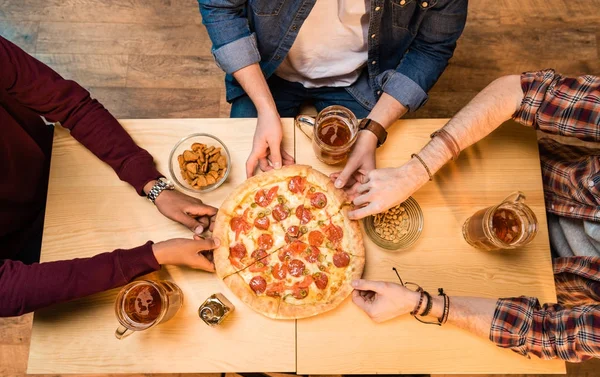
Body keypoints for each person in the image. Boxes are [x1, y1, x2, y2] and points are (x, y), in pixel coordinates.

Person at [351, 69, 600, 362]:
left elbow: (545, 332)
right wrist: (414, 173)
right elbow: (517, 92)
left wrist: (422, 303)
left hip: (537, 282)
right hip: (518, 169)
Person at [0, 36, 220, 317]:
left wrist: (154, 187)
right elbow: (7, 288)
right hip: (20, 247)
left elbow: (71, 106)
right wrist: (152, 257)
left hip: (61, 165)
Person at [198, 0, 468, 177]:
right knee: (243, 171)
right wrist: (265, 108)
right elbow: (219, 7)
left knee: (364, 183)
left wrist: (373, 129)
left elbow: (432, 48)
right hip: (267, 73)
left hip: (362, 79)